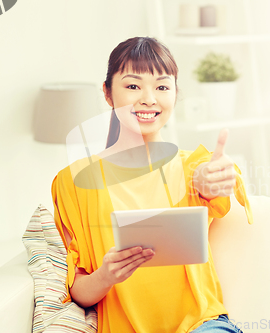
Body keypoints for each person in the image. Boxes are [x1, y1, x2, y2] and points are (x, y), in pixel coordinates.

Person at [51, 36, 253, 333]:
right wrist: (106, 275)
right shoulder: (74, 182)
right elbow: (79, 290)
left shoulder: (193, 166)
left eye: (162, 86)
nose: (149, 98)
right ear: (107, 93)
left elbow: (211, 181)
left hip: (201, 326)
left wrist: (210, 181)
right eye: (133, 86)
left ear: (174, 93)